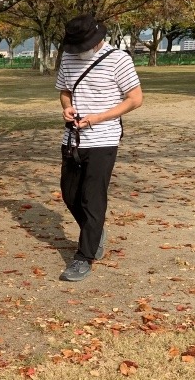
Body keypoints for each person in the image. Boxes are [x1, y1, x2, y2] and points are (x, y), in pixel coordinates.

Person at [56, 15, 143, 281]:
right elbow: (64, 91)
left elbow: (135, 99)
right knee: (70, 194)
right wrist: (66, 108)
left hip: (103, 138)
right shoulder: (69, 58)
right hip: (73, 138)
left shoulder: (118, 59)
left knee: (91, 198)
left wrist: (99, 117)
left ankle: (84, 257)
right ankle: (94, 231)